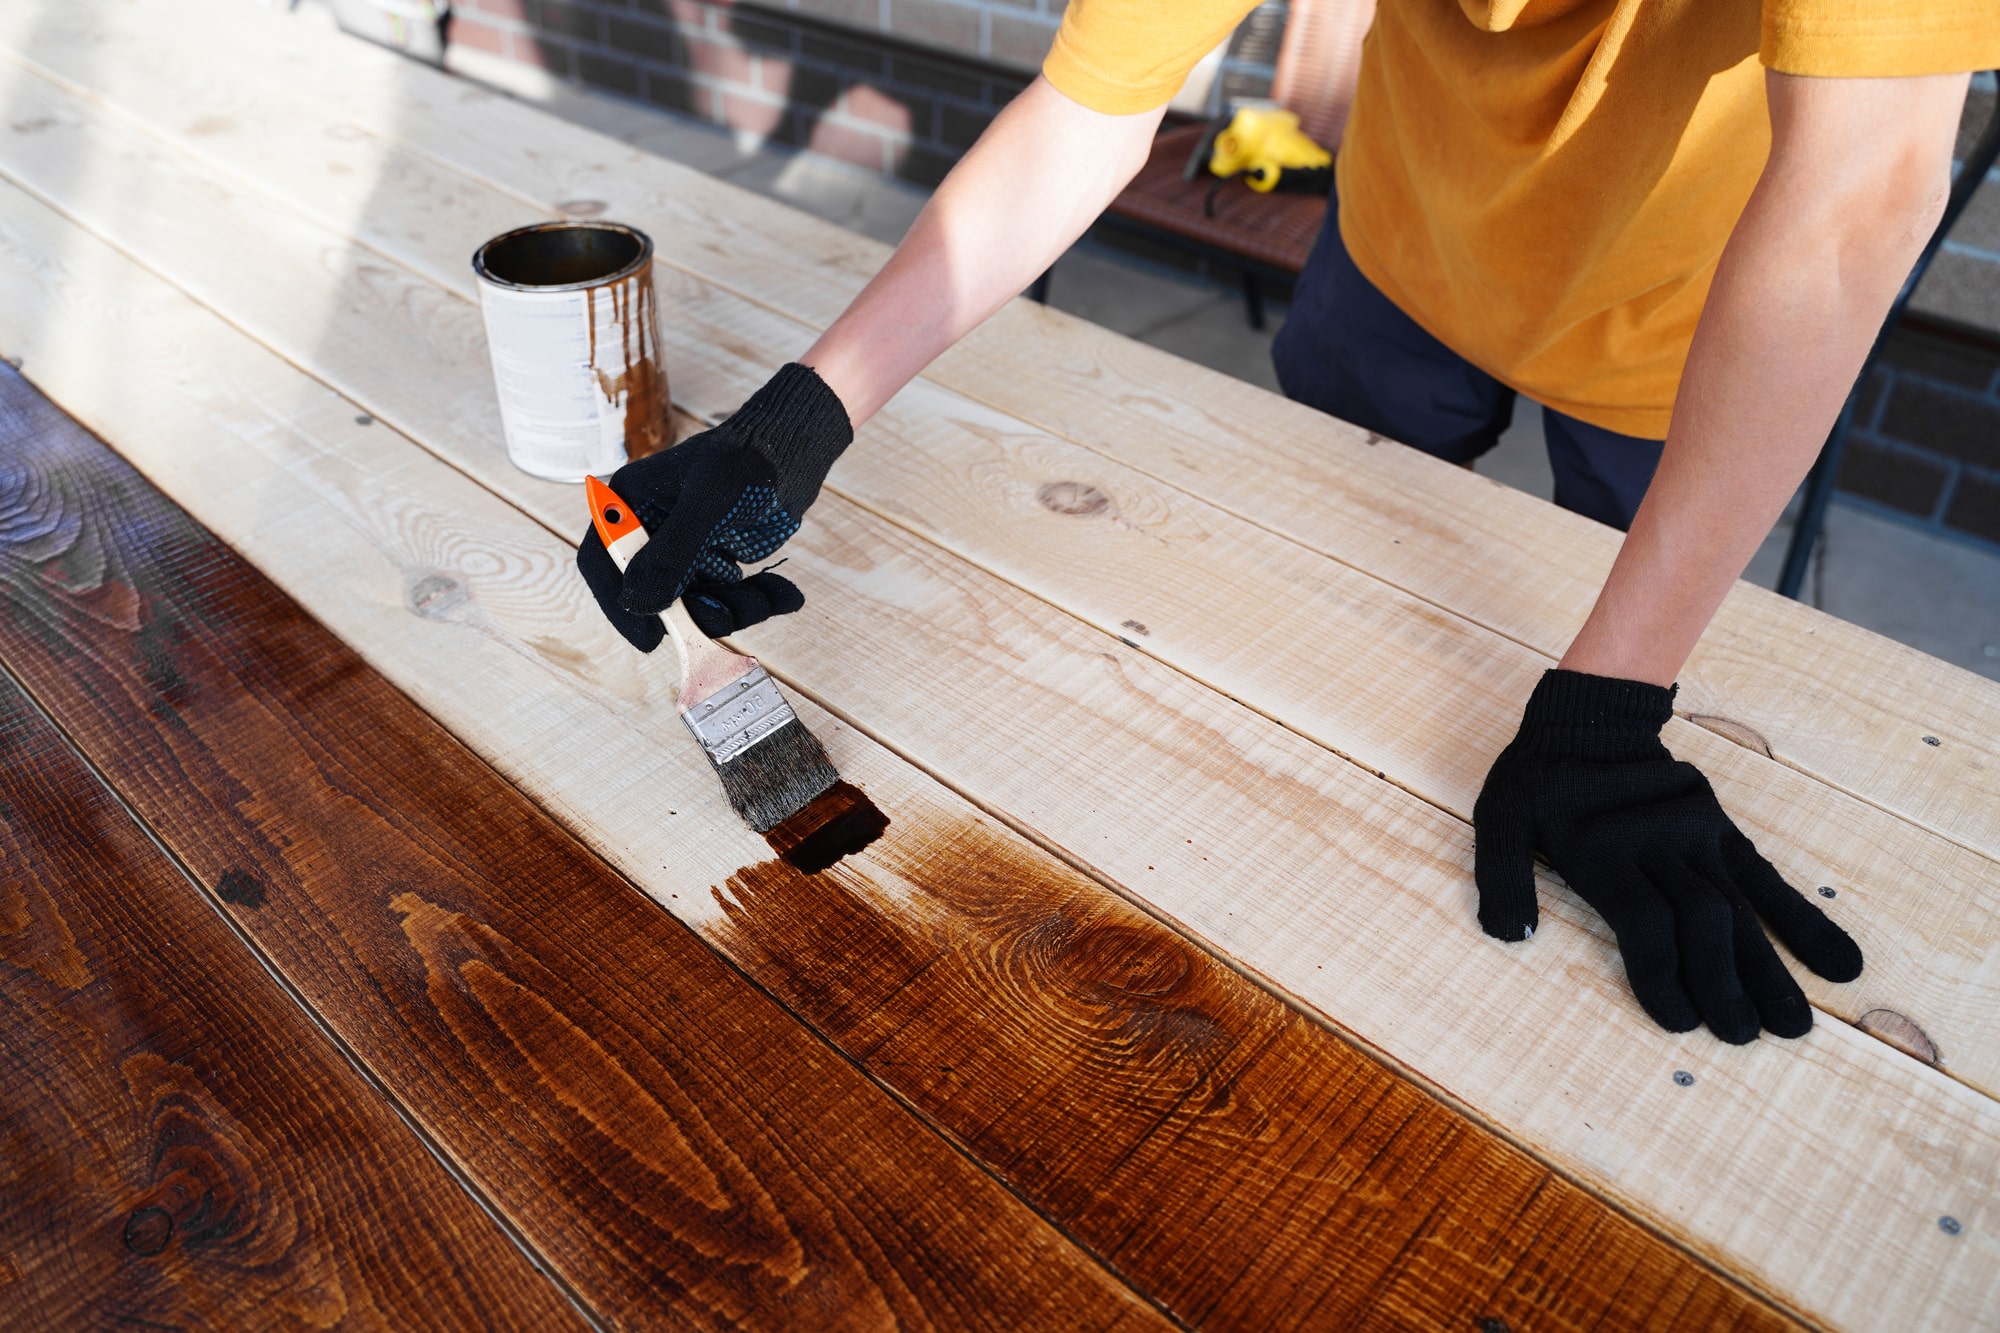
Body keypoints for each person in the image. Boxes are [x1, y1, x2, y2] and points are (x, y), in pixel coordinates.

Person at [578, 0, 1997, 1044]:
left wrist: (1612, 703)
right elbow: (1093, 106)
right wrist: (798, 421)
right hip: (1395, 251)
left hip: (1694, 344)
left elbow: (1855, 200)